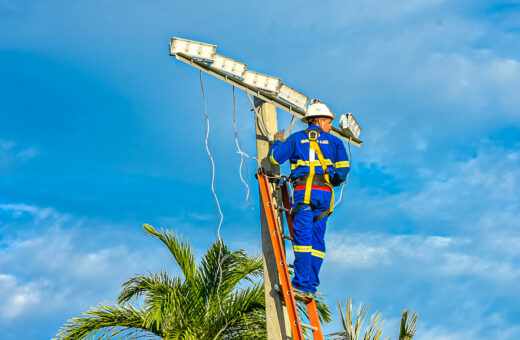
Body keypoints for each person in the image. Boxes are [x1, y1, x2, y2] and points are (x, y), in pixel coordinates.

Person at [269, 99, 350, 299]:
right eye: (329, 122)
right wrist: (334, 181)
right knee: (317, 241)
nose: (330, 126)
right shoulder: (336, 143)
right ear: (320, 120)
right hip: (324, 197)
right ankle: (311, 285)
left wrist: (278, 143)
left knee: (303, 241)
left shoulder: (296, 138)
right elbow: (342, 171)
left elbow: (275, 159)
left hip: (304, 193)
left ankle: (302, 284)